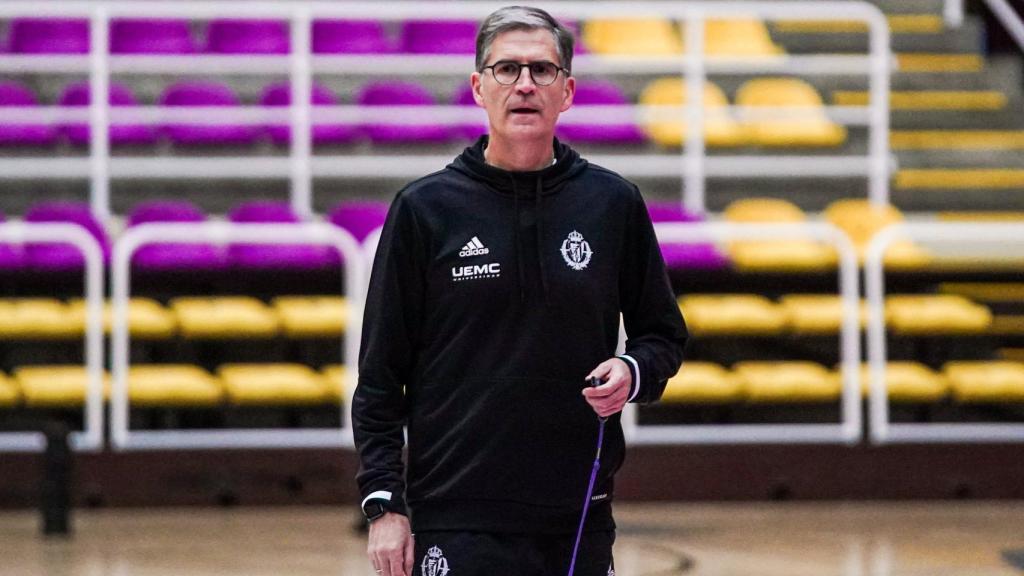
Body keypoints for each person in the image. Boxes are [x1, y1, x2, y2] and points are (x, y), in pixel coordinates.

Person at [352, 6, 688, 576]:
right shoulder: (424, 210)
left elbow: (663, 336)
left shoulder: (612, 204)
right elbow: (381, 376)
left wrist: (632, 371)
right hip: (455, 514)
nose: (525, 84)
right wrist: (384, 503)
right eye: (507, 69)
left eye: (542, 70)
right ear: (479, 88)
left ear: (567, 91)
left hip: (577, 515)